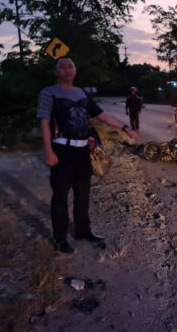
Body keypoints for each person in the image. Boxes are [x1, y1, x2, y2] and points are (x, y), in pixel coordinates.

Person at [37, 57, 135, 253]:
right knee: (60, 196)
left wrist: (124, 127)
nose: (67, 69)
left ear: (75, 70)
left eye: (70, 66)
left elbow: (102, 115)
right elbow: (45, 123)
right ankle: (60, 239)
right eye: (62, 67)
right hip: (62, 150)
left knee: (83, 194)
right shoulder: (48, 93)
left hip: (83, 151)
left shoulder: (81, 92)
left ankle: (83, 230)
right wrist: (48, 150)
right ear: (56, 72)